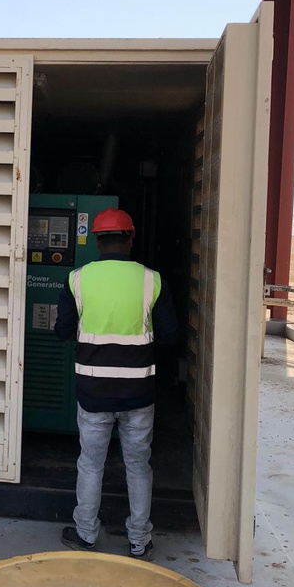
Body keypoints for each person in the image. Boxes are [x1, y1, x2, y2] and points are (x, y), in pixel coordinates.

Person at [54, 207, 178, 561]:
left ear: (97, 240)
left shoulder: (77, 279)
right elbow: (170, 335)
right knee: (139, 465)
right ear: (130, 238)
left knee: (91, 463)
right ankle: (139, 542)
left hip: (93, 393)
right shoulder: (151, 280)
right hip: (139, 394)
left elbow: (63, 331)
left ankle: (86, 535)